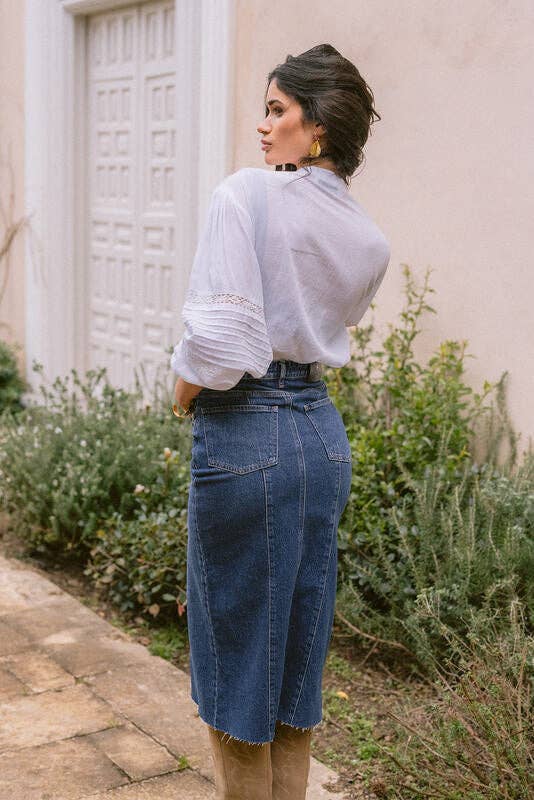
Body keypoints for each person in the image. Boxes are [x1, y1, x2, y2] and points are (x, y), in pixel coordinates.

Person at [170, 43, 390, 800]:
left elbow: (222, 343)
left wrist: (182, 391)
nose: (263, 128)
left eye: (277, 110)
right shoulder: (369, 240)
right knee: (295, 675)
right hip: (321, 440)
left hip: (245, 431)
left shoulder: (246, 196)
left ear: (318, 126)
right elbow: (329, 320)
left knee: (238, 683)